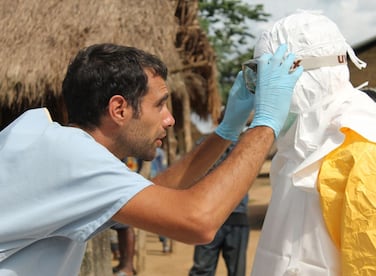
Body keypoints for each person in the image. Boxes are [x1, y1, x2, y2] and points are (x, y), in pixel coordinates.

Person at [0, 43, 302, 275]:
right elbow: (198, 221)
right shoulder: (72, 157)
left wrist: (225, 131)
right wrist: (264, 125)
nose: (169, 119)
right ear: (119, 109)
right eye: (159, 105)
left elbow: (163, 194)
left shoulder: (53, 146)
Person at [247, 10, 376, 275]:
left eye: (268, 77)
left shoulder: (373, 157)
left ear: (305, 76)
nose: (260, 92)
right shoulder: (299, 152)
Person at [189, 142, 249, 276]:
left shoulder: (245, 145)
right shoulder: (205, 144)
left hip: (236, 218)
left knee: (237, 271)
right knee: (202, 270)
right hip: (209, 218)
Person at [111, 157, 142, 276]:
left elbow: (131, 171)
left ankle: (128, 266)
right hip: (120, 188)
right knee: (120, 228)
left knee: (125, 227)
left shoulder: (131, 151)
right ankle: (123, 263)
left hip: (125, 190)